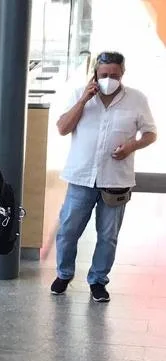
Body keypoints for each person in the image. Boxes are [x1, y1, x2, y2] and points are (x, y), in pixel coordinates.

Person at [52, 51, 157, 302]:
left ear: (123, 73)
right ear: (95, 74)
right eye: (104, 75)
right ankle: (64, 274)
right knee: (67, 230)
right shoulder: (80, 94)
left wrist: (131, 146)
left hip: (116, 181)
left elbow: (150, 134)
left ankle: (98, 280)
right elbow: (63, 128)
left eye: (114, 75)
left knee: (108, 236)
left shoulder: (136, 99)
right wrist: (83, 101)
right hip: (81, 177)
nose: (109, 79)